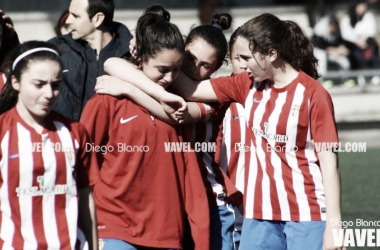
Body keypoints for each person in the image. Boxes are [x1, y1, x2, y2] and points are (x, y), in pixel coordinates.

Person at [99, 13, 345, 250]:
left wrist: (334, 225)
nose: (242, 66)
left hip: (304, 212)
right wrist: (143, 58)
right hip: (258, 213)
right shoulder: (246, 84)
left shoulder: (313, 94)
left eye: (247, 57)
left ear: (272, 54)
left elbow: (329, 163)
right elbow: (115, 64)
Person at [101, 13, 242, 250]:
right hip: (173, 200)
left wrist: (130, 89)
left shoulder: (216, 97)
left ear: (217, 68)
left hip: (210, 200)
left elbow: (177, 116)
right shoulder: (166, 78)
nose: (193, 67)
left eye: (205, 65)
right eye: (190, 57)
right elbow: (110, 63)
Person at [80, 5, 209, 250]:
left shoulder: (180, 111)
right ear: (140, 57)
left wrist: (201, 240)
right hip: (113, 228)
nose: (170, 78)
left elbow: (190, 180)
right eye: (162, 69)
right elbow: (82, 163)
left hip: (167, 234)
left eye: (176, 70)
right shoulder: (107, 99)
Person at [0, 41, 99, 249]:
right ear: (16, 82)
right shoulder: (3, 131)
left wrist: (94, 245)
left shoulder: (75, 131)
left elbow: (85, 197)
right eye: (39, 84)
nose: (49, 94)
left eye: (55, 85)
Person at [49, 0, 133, 121]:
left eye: (76, 16)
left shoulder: (132, 54)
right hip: (68, 138)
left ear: (98, 19)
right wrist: (11, 41)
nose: (68, 21)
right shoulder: (57, 49)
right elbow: (22, 70)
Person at [215, 27, 247, 250]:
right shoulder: (220, 101)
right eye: (239, 58)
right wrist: (233, 193)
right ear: (228, 59)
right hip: (230, 209)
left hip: (265, 215)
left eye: (250, 57)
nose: (245, 65)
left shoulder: (271, 98)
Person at [312, 14, 352, 87]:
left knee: (344, 61)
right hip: (320, 51)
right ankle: (322, 80)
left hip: (333, 53)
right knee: (321, 58)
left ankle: (344, 79)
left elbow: (339, 43)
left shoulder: (337, 32)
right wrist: (335, 50)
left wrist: (342, 49)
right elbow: (321, 46)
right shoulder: (320, 32)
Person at [340, 0, 380, 70]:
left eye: (364, 6)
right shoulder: (347, 19)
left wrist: (363, 39)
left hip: (367, 45)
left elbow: (371, 31)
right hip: (353, 47)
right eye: (361, 6)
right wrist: (356, 40)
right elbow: (346, 34)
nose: (363, 9)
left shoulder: (369, 17)